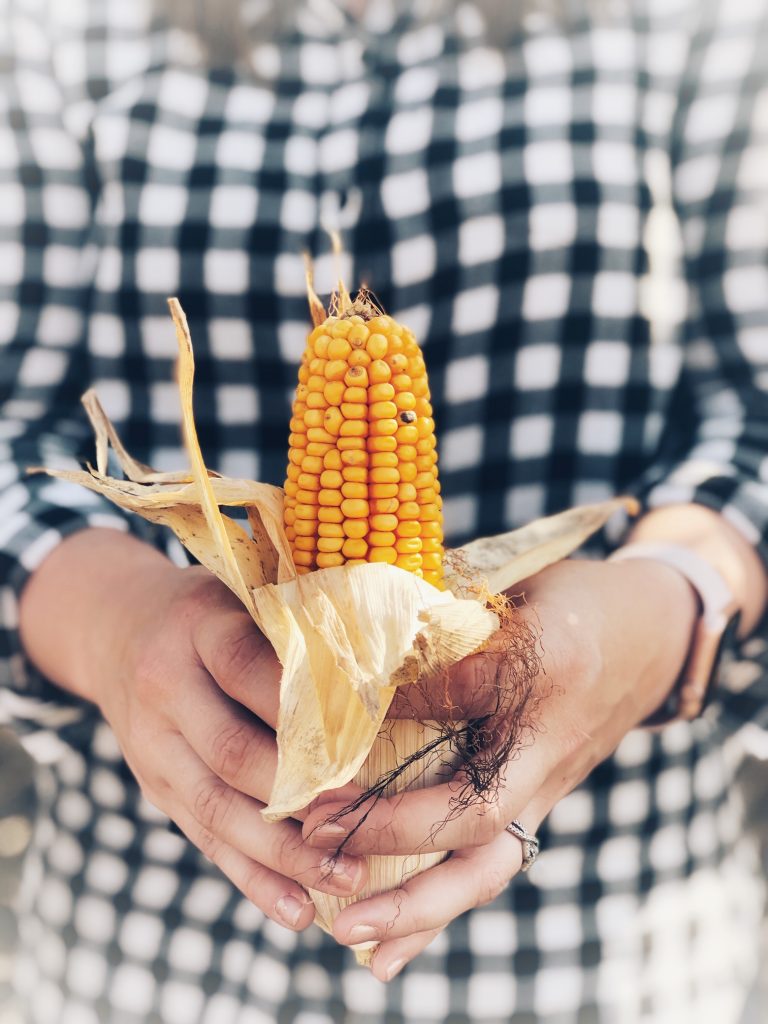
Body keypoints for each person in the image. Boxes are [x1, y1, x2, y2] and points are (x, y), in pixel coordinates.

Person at [1, 0, 767, 1021]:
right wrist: (108, 620)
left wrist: (670, 607)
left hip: (603, 955)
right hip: (147, 963)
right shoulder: (59, 34)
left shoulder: (698, 26)